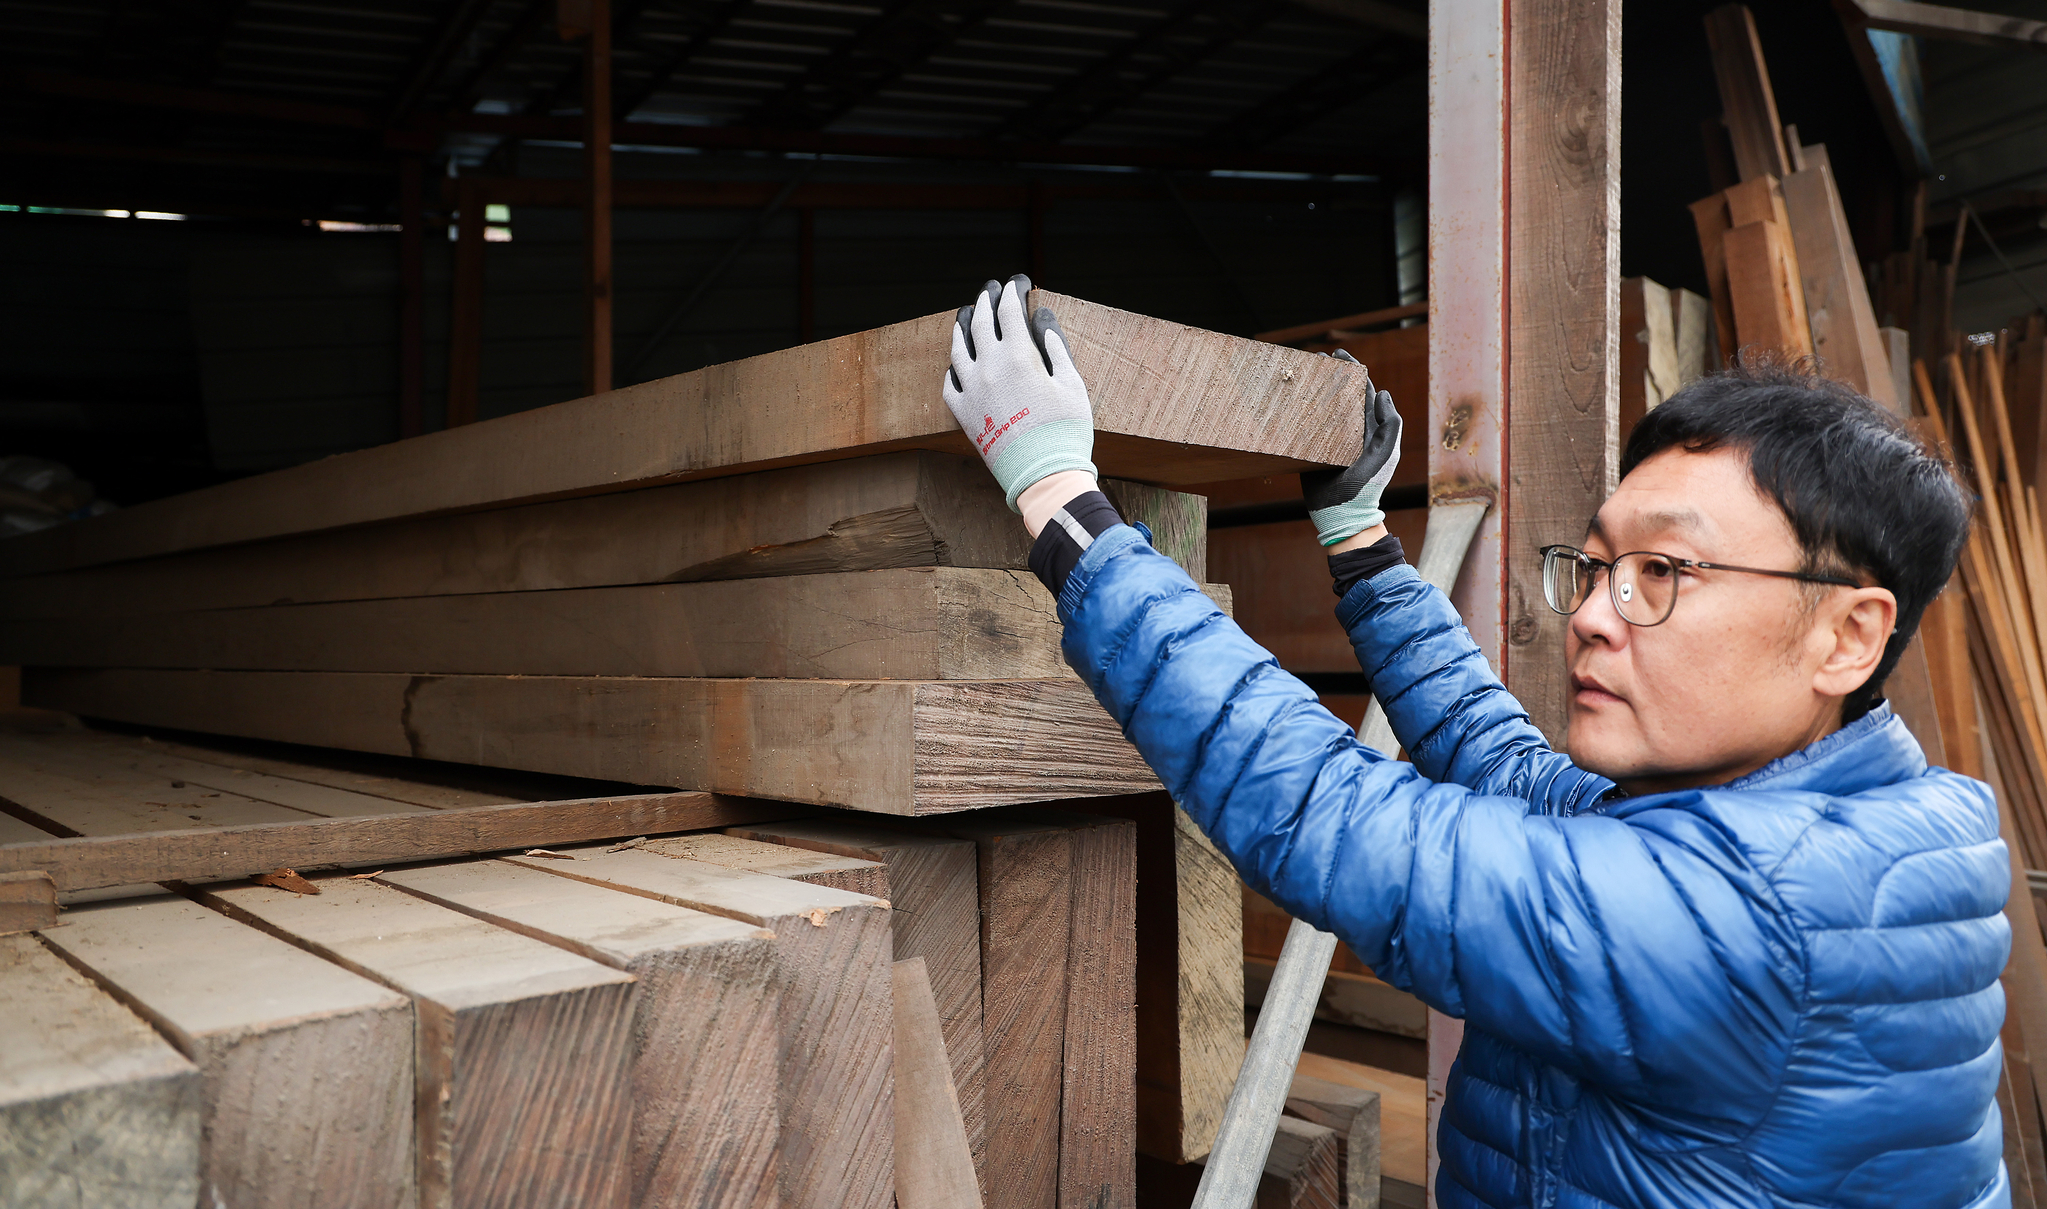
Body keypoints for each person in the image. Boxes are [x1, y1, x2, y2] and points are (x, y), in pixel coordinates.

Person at [943, 275, 2009, 1209]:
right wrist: (1359, 541)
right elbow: (1505, 769)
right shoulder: (1771, 824)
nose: (1593, 613)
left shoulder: (1763, 911)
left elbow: (1338, 822)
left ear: (1846, 635)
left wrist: (1057, 502)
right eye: (1597, 566)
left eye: (1663, 575)